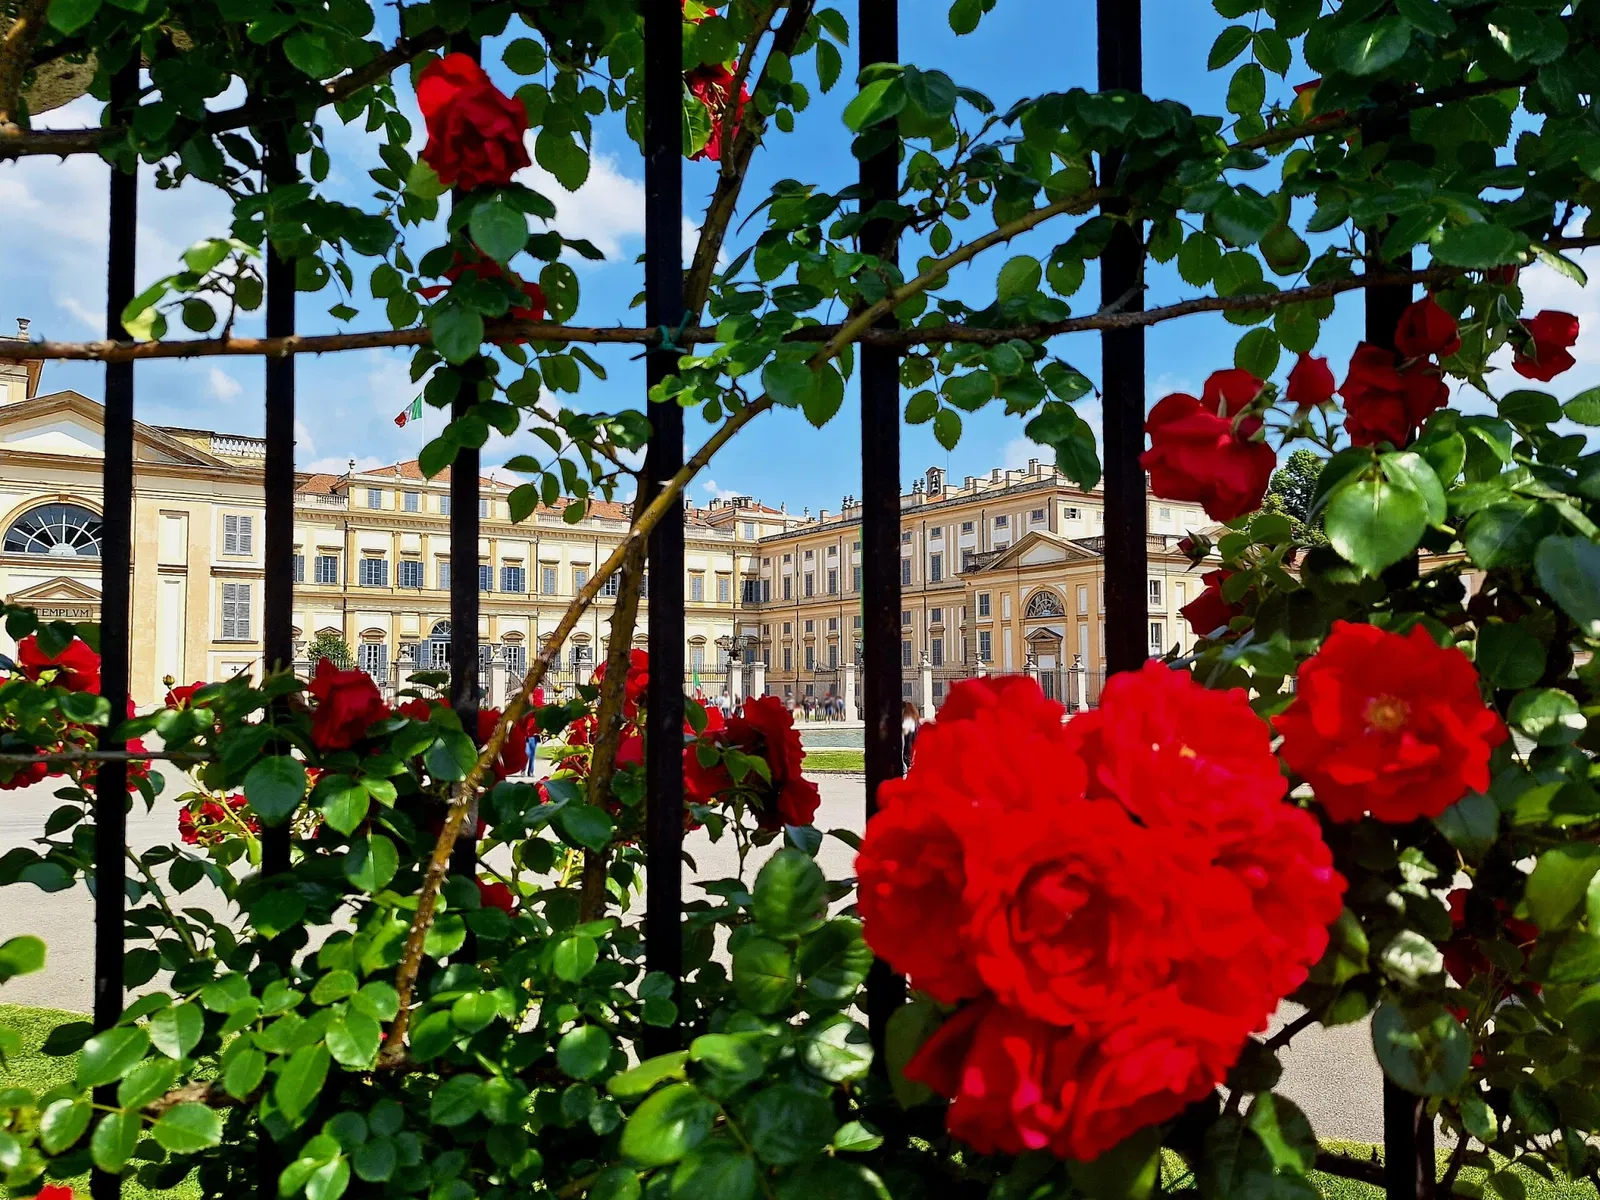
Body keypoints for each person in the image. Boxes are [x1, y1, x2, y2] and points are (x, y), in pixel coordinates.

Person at [902, 700, 920, 771]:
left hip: (908, 755)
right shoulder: (915, 721)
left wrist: (907, 759)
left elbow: (908, 741)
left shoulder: (908, 722)